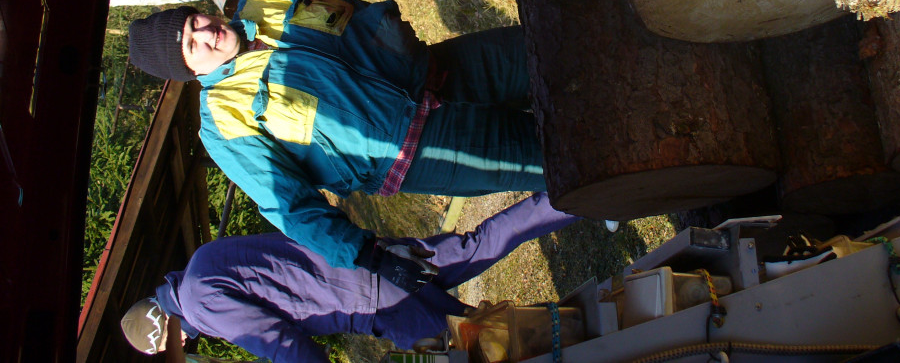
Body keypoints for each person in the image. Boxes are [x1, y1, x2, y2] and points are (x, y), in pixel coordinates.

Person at [128, 0, 546, 291]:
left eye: (195, 22)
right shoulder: (223, 121)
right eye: (191, 45)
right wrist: (367, 254)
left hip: (445, 69)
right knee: (552, 155)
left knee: (551, 53)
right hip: (422, 149)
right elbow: (287, 204)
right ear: (190, 71)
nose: (206, 34)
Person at [120, 193, 579, 362]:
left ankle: (588, 334)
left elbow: (282, 344)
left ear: (164, 332)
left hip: (375, 302)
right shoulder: (202, 262)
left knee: (480, 348)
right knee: (482, 243)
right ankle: (581, 195)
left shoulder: (201, 305)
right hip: (375, 258)